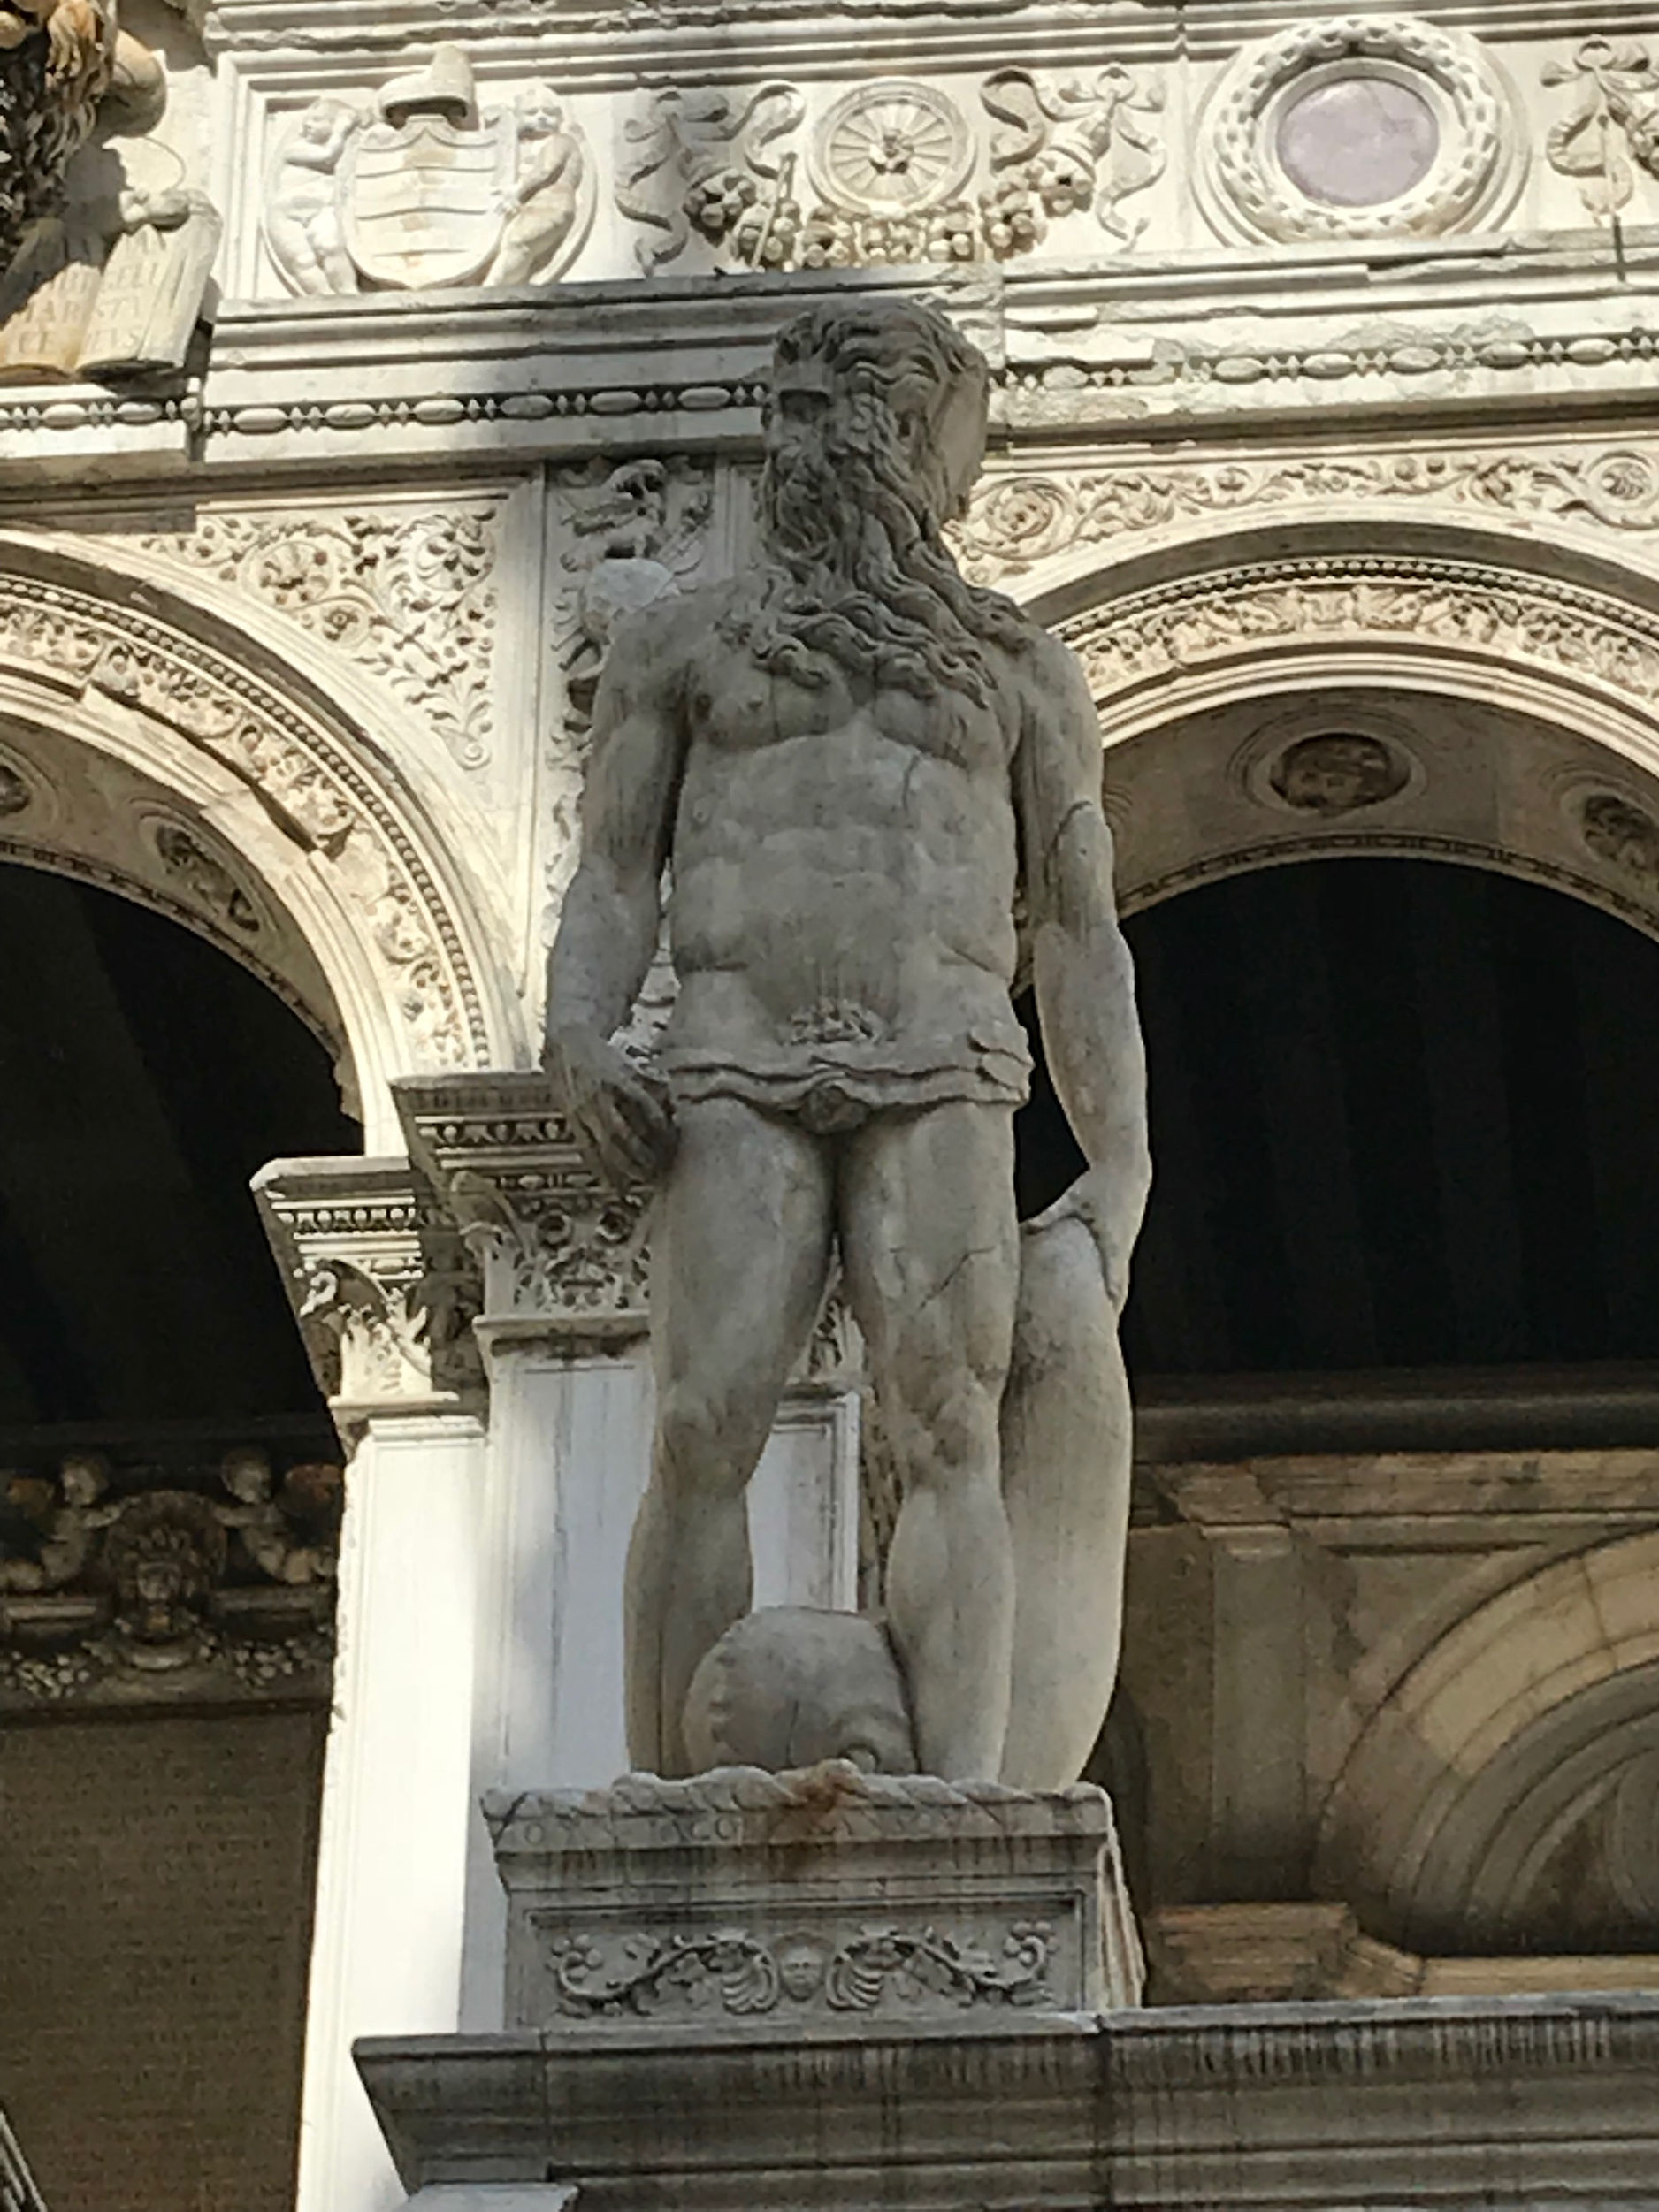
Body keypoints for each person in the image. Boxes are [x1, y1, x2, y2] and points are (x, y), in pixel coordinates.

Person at [546, 297, 1149, 1779]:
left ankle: (960, 1816)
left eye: (833, 416)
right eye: (788, 412)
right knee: (700, 1428)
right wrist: (579, 1026)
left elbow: (1077, 927)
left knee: (954, 1433)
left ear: (908, 439)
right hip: (734, 1064)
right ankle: (665, 1804)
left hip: (942, 1063)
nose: (796, 444)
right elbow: (616, 870)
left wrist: (1122, 1157)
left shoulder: (1017, 666)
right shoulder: (680, 642)